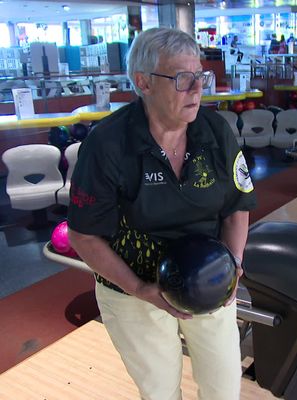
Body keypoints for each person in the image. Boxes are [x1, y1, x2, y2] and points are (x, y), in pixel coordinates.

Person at [67, 27, 256, 400]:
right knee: (160, 392)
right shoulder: (107, 144)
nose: (196, 88)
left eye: (200, 76)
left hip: (209, 281)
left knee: (224, 389)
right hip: (134, 287)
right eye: (182, 78)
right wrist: (139, 288)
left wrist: (232, 264)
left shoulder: (216, 131)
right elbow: (83, 236)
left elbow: (237, 208)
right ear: (144, 82)